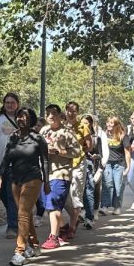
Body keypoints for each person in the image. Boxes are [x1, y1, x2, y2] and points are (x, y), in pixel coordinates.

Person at [0, 107, 48, 266]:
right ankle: (34, 245)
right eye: (19, 116)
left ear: (30, 119)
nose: (21, 119)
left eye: (24, 116)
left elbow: (45, 161)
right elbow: (6, 158)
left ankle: (19, 251)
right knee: (25, 215)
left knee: (23, 214)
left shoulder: (38, 138)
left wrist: (47, 182)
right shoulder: (13, 137)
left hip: (33, 179)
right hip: (15, 179)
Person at [39, 105, 79, 249]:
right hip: (46, 174)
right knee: (48, 205)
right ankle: (64, 228)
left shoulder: (67, 132)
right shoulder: (44, 131)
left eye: (54, 113)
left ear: (59, 115)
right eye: (48, 113)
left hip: (61, 173)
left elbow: (76, 152)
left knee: (53, 203)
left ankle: (54, 237)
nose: (50, 116)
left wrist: (60, 152)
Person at [0, 92, 21, 238]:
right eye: (7, 102)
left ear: (17, 104)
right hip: (0, 163)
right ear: (3, 104)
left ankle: (12, 227)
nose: (10, 105)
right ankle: (17, 217)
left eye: (12, 102)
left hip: (17, 163)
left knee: (10, 193)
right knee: (3, 194)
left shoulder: (22, 120)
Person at [64, 101, 86, 235]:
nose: (71, 113)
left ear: (77, 112)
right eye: (69, 110)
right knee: (64, 196)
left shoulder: (83, 127)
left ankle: (71, 228)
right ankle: (75, 218)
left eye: (74, 111)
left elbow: (89, 144)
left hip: (78, 164)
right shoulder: (61, 126)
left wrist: (80, 153)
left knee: (76, 195)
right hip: (63, 165)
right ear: (65, 111)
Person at [78, 114, 104, 227]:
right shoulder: (76, 135)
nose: (84, 125)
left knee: (89, 190)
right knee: (79, 191)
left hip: (89, 165)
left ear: (91, 125)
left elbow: (100, 154)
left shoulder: (96, 138)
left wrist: (95, 156)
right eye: (82, 123)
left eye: (87, 123)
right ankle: (81, 213)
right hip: (77, 165)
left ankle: (89, 217)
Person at [102, 116, 128, 214]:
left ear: (116, 125)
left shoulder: (123, 136)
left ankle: (117, 207)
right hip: (107, 163)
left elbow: (127, 152)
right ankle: (104, 206)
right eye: (108, 122)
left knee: (118, 186)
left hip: (119, 164)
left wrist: (128, 167)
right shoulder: (104, 135)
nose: (109, 124)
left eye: (111, 123)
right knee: (107, 184)